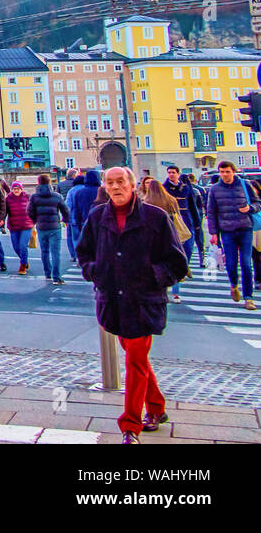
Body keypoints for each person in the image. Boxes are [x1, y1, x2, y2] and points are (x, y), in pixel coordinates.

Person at [76, 166, 188, 444]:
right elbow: (84, 252)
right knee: (135, 356)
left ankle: (130, 426)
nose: (116, 187)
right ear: (104, 186)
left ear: (133, 183)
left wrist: (153, 277)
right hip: (113, 299)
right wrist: (95, 271)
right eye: (110, 182)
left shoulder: (155, 217)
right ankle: (157, 407)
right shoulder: (98, 216)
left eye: (121, 181)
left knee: (135, 360)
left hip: (144, 300)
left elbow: (177, 262)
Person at [207, 161, 261, 310]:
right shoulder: (215, 189)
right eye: (222, 172)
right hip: (227, 230)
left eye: (227, 172)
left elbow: (258, 203)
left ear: (233, 172)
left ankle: (249, 298)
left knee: (246, 263)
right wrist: (213, 233)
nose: (224, 175)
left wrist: (250, 208)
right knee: (231, 263)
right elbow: (211, 212)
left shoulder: (244, 185)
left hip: (245, 228)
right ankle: (234, 285)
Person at [141, 178, 193, 304]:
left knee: (157, 264)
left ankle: (160, 289)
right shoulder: (171, 200)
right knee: (173, 262)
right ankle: (176, 293)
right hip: (172, 235)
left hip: (153, 238)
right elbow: (178, 217)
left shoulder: (146, 202)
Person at [29, 173, 69, 285]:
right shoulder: (57, 196)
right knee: (55, 252)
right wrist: (65, 220)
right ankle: (56, 276)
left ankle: (47, 273)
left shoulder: (34, 197)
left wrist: (35, 220)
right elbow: (65, 210)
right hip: (54, 227)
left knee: (44, 251)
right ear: (50, 182)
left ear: (38, 183)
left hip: (41, 227)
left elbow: (29, 211)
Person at [162, 165, 202, 274]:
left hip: (186, 220)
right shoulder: (164, 188)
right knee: (175, 249)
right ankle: (179, 271)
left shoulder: (186, 187)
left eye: (173, 172)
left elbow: (192, 205)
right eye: (169, 172)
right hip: (172, 221)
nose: (171, 174)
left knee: (189, 247)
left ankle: (184, 266)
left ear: (178, 174)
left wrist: (197, 222)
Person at [65, 169, 101, 261]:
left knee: (77, 239)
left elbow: (71, 206)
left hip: (80, 220)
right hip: (99, 220)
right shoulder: (101, 190)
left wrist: (72, 219)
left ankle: (79, 258)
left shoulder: (77, 192)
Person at [5, 181, 34, 275]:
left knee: (23, 246)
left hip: (26, 225)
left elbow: (34, 209)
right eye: (14, 189)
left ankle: (22, 265)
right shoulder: (8, 199)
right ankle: (24, 259)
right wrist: (1, 220)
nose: (16, 190)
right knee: (16, 247)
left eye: (18, 189)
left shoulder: (28, 197)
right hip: (13, 226)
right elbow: (4, 211)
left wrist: (34, 220)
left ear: (21, 189)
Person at [184, 173, 208, 268]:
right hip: (198, 216)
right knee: (199, 238)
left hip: (190, 217)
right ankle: (202, 258)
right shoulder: (199, 190)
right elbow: (202, 204)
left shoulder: (186, 191)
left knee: (189, 239)